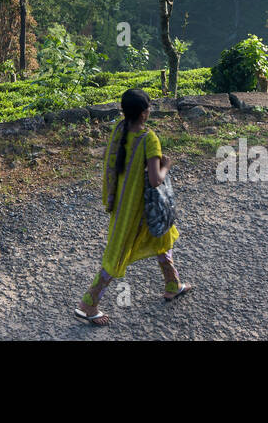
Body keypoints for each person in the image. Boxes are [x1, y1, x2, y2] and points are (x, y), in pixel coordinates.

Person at [76, 87, 191, 325]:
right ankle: (88, 303)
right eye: (149, 107)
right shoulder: (149, 138)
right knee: (117, 254)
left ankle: (173, 284)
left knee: (162, 238)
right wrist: (167, 165)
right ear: (143, 113)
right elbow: (155, 180)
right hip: (138, 210)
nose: (150, 110)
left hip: (123, 204)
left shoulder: (120, 130)